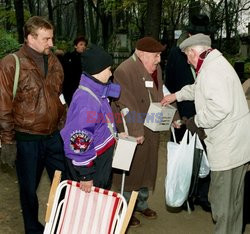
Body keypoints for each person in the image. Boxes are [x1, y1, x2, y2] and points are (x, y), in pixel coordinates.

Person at [161, 33, 250, 234]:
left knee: (221, 202)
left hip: (227, 147)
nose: (186, 60)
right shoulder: (214, 64)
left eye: (186, 55)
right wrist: (177, 95)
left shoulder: (212, 71)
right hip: (239, 145)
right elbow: (200, 89)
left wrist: (196, 122)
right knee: (235, 202)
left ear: (193, 52)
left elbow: (220, 107)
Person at [0, 16, 66, 234]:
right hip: (27, 138)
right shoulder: (11, 63)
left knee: (65, 184)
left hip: (54, 137)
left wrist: (63, 125)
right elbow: (3, 105)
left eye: (52, 38)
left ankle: (59, 224)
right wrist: (8, 141)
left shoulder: (55, 61)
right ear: (30, 38)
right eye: (46, 39)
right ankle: (33, 229)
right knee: (28, 190)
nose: (51, 43)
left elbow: (58, 96)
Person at [111, 37, 167, 227]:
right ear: (141, 54)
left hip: (151, 124)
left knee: (147, 168)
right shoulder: (124, 70)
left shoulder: (155, 69)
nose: (159, 59)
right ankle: (125, 207)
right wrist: (136, 130)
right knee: (131, 170)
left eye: (159, 55)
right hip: (131, 127)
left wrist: (172, 117)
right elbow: (125, 103)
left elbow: (160, 96)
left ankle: (141, 203)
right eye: (156, 55)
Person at [165, 14, 212, 212]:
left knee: (206, 155)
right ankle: (186, 195)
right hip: (185, 114)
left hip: (206, 114)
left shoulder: (212, 54)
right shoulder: (177, 54)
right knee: (186, 157)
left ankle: (203, 195)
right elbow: (170, 84)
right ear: (190, 34)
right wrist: (175, 114)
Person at [60, 45, 120, 192]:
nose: (111, 73)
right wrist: (86, 175)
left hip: (99, 158)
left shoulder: (97, 91)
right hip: (92, 164)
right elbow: (79, 138)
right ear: (97, 70)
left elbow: (101, 119)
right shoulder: (86, 101)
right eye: (109, 69)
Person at [62, 35, 88, 105]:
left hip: (82, 88)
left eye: (84, 45)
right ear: (75, 46)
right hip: (70, 89)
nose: (83, 47)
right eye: (81, 44)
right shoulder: (69, 57)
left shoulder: (86, 59)